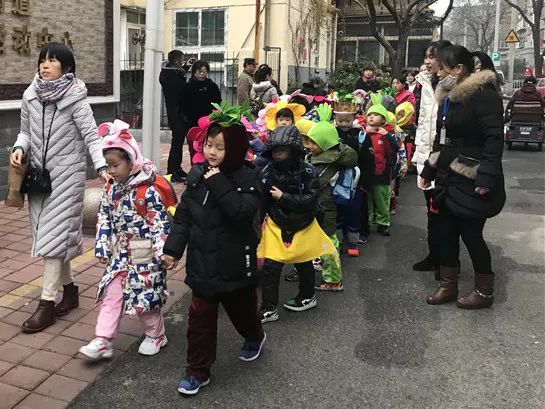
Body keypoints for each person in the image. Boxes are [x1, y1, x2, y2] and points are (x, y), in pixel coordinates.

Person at [161, 107, 265, 395]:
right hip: (202, 266)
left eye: (220, 147)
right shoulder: (196, 176)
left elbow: (242, 214)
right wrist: (172, 250)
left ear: (235, 148)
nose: (212, 152)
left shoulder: (250, 177)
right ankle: (197, 371)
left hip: (235, 265)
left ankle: (254, 336)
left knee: (243, 312)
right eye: (209, 144)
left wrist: (218, 181)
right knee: (200, 321)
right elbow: (183, 216)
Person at [9, 42, 108, 333]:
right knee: (51, 237)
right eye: (42, 59)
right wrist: (19, 147)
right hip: (39, 178)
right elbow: (25, 132)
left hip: (67, 176)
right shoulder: (30, 96)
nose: (45, 64)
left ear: (66, 68)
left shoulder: (76, 98)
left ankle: (47, 304)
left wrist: (102, 166)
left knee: (52, 238)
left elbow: (91, 135)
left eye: (52, 60)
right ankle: (71, 291)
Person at [419, 46, 505, 309]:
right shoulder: (447, 96)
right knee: (445, 231)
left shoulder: (483, 95)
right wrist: (429, 170)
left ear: (458, 70)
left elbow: (494, 139)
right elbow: (441, 138)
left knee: (471, 234)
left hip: (472, 176)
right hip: (447, 175)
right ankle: (448, 285)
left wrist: (485, 179)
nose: (437, 72)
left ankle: (484, 291)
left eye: (442, 68)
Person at [80, 120, 170, 359]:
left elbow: (159, 224)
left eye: (115, 165)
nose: (110, 170)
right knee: (112, 294)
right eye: (108, 165)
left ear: (131, 162)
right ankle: (103, 339)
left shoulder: (147, 191)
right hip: (120, 253)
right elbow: (105, 217)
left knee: (145, 300)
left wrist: (163, 253)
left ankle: (156, 334)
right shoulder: (111, 188)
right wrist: (102, 245)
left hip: (145, 255)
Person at [257, 126, 337, 321]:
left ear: (293, 151)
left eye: (282, 150)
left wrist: (283, 197)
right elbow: (262, 201)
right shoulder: (267, 171)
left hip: (304, 224)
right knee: (271, 267)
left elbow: (311, 199)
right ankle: (269, 308)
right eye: (275, 150)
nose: (277, 154)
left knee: (303, 262)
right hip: (277, 224)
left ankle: (307, 296)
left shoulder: (308, 171)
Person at [411, 40, 452, 274]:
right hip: (426, 154)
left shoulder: (453, 86)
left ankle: (446, 263)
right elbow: (423, 122)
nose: (427, 61)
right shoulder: (424, 83)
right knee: (431, 210)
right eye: (426, 57)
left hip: (444, 155)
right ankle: (434, 255)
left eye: (431, 57)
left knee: (444, 212)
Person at [307, 104, 357, 290]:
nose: (310, 146)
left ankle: (333, 280)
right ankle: (329, 275)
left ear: (325, 143)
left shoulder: (325, 161)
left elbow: (313, 185)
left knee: (328, 242)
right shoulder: (332, 155)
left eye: (313, 142)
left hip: (324, 207)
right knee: (326, 241)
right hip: (325, 206)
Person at [334, 104, 374, 247]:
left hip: (357, 178)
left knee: (358, 208)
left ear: (354, 119)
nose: (344, 124)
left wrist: (366, 183)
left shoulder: (361, 136)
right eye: (340, 121)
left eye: (347, 121)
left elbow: (369, 162)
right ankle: (340, 233)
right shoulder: (332, 133)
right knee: (338, 206)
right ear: (335, 119)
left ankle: (361, 232)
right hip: (337, 178)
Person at [160, 50, 194, 182]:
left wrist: (186, 67)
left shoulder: (169, 73)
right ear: (177, 62)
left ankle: (176, 168)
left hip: (177, 113)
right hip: (177, 115)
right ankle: (172, 172)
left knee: (178, 143)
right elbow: (182, 89)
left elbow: (178, 75)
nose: (183, 63)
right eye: (182, 60)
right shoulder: (171, 77)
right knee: (176, 144)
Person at [365, 104, 399, 236]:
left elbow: (394, 149)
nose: (372, 116)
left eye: (376, 114)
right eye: (369, 114)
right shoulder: (363, 132)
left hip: (382, 173)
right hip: (367, 174)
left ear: (383, 120)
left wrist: (386, 136)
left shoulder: (386, 134)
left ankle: (383, 223)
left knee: (382, 200)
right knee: (367, 200)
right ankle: (368, 221)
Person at [181, 60, 222, 160]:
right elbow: (183, 105)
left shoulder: (212, 86)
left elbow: (218, 104)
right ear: (194, 72)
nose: (202, 74)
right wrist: (187, 118)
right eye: (200, 71)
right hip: (193, 123)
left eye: (205, 71)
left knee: (210, 146)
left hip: (209, 122)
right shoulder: (188, 87)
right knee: (194, 149)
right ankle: (196, 169)